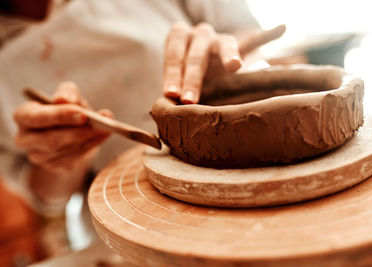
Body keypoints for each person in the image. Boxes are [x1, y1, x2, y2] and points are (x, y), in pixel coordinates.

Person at [0, 0, 283, 264]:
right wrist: (63, 156)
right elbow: (46, 196)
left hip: (239, 172)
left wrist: (228, 52)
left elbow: (246, 29)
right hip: (126, 224)